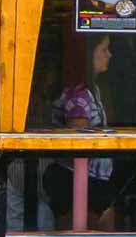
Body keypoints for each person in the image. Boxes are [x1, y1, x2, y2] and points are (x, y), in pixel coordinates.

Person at [44, 37, 127, 226]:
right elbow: (79, 143)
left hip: (93, 181)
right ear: (89, 54)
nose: (109, 54)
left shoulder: (92, 89)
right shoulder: (78, 93)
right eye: (104, 49)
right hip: (79, 183)